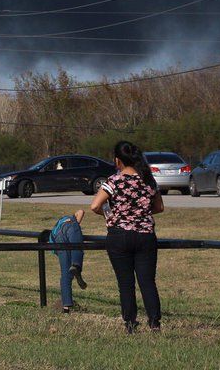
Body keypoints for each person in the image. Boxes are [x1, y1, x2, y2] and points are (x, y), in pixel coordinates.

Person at [83, 140, 164, 333]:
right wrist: (141, 212)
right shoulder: (148, 180)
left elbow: (94, 206)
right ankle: (154, 323)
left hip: (119, 236)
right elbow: (159, 207)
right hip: (145, 235)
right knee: (147, 281)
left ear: (117, 161)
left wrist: (110, 214)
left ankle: (130, 323)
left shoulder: (113, 181)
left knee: (125, 282)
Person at [46, 210, 87, 313]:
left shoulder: (52, 236)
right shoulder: (67, 220)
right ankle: (77, 268)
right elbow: (81, 211)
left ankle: (66, 307)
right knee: (77, 248)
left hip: (58, 240)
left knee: (65, 273)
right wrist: (76, 223)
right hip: (69, 227)